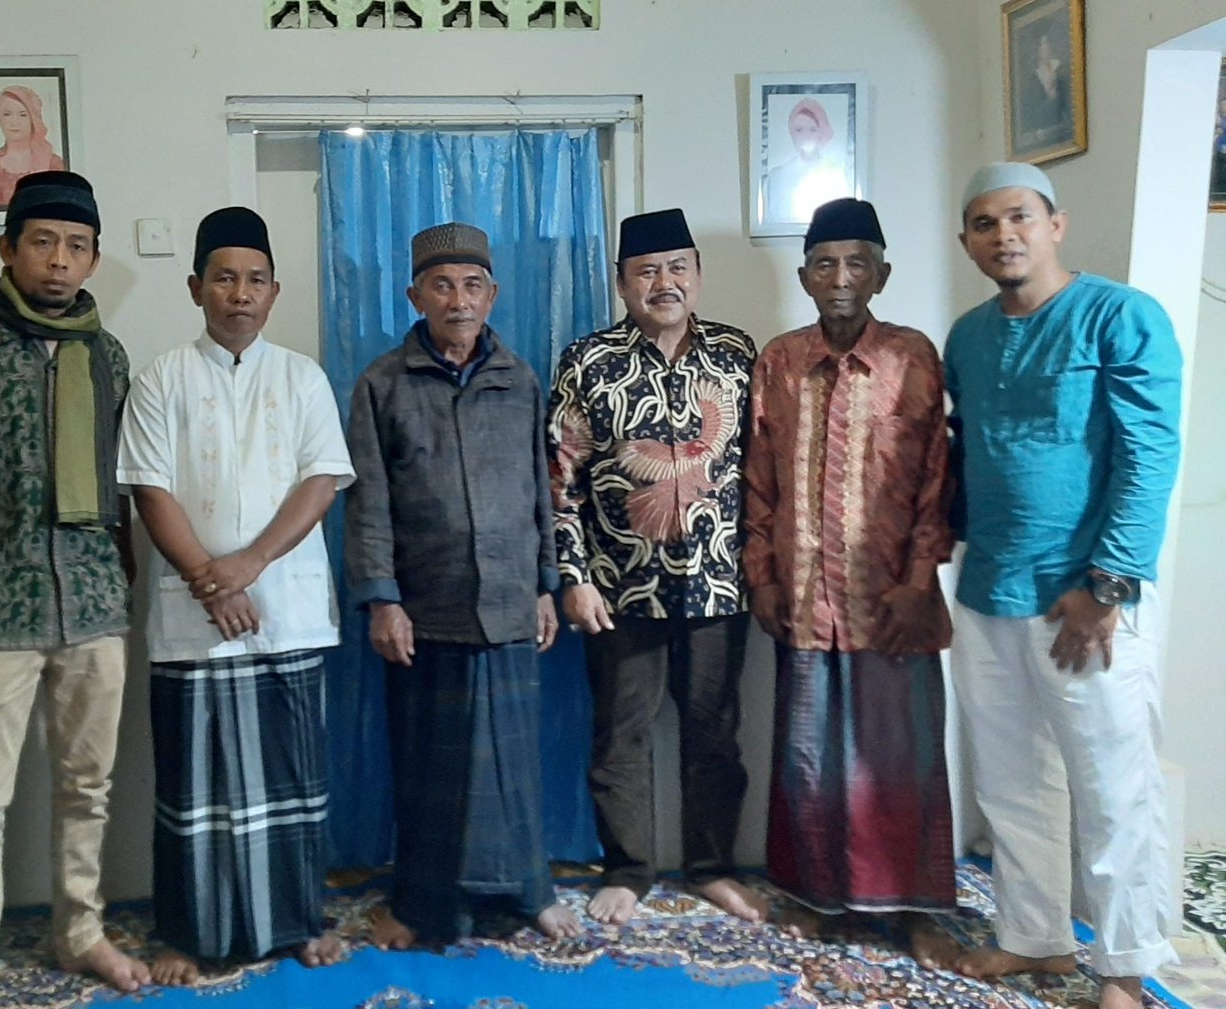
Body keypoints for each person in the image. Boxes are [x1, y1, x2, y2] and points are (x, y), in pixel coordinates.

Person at [945, 162, 1182, 1009]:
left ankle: (1125, 968)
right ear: (967, 242)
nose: (1003, 235)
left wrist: (1107, 586)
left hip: (1086, 599)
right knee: (1010, 781)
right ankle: (1033, 937)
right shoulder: (967, 336)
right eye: (984, 223)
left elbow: (1150, 455)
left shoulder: (1121, 316)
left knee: (1114, 787)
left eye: (1019, 217)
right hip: (988, 588)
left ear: (1056, 224)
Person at [0, 171, 145, 1006]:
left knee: (89, 786)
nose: (58, 261)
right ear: (8, 248)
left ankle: (78, 930)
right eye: (42, 242)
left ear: (93, 260)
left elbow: (120, 483)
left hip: (92, 600)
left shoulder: (105, 352)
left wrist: (121, 583)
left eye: (76, 247)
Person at [118, 206, 355, 985]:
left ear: (275, 292)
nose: (240, 294)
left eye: (255, 280)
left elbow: (321, 481)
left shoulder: (302, 376)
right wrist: (209, 582)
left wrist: (249, 564)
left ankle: (300, 924)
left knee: (292, 787)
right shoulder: (160, 378)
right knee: (196, 791)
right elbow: (149, 489)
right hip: (194, 619)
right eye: (225, 278)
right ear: (196, 288)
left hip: (287, 611)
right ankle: (185, 935)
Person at [345, 222, 582, 949]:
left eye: (472, 285)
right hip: (427, 608)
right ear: (414, 295)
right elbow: (369, 502)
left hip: (510, 601)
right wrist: (383, 599)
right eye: (442, 286)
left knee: (515, 769)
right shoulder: (383, 383)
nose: (459, 300)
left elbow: (540, 492)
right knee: (430, 772)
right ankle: (423, 908)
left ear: (492, 294)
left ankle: (530, 894)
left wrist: (545, 585)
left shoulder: (520, 380)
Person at [744, 198, 958, 965]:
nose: (841, 278)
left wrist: (919, 579)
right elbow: (758, 479)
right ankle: (821, 899)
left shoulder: (911, 356)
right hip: (805, 598)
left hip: (892, 601)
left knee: (900, 762)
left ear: (882, 275)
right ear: (805, 276)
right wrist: (763, 576)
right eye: (826, 264)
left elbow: (937, 477)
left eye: (857, 263)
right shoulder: (778, 361)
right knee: (810, 757)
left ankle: (915, 907)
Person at [547, 207, 766, 927]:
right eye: (646, 271)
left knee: (715, 735)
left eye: (677, 268)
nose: (663, 283)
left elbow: (763, 467)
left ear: (698, 275)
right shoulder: (587, 362)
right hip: (619, 589)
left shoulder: (737, 353)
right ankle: (628, 870)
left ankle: (712, 868)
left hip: (718, 581)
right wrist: (574, 576)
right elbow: (560, 480)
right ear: (622, 282)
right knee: (620, 735)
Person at [0, 85, 66, 207]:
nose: (14, 122)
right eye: (7, 114)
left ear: (33, 119)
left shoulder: (53, 164)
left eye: (22, 115)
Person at [766, 98, 851, 225]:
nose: (806, 135)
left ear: (822, 132)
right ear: (792, 133)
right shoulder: (777, 176)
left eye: (812, 129)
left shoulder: (838, 175)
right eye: (799, 130)